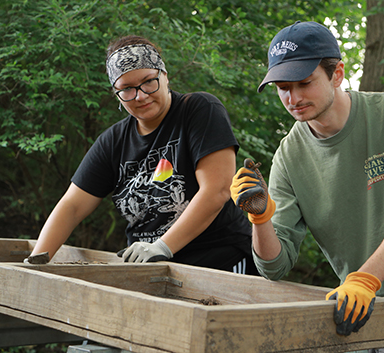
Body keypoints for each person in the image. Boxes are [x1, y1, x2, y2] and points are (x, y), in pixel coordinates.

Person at [231, 21, 384, 351]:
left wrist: (366, 279)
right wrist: (260, 219)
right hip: (355, 316)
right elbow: (275, 265)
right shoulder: (288, 155)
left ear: (337, 73)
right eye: (282, 87)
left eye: (304, 83)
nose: (292, 97)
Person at [28, 35, 258, 275]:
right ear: (116, 94)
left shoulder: (199, 110)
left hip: (219, 263)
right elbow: (73, 205)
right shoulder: (113, 141)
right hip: (150, 270)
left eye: (149, 81)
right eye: (127, 88)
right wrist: (36, 261)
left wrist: (162, 246)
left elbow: (217, 190)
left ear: (165, 75)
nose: (140, 95)